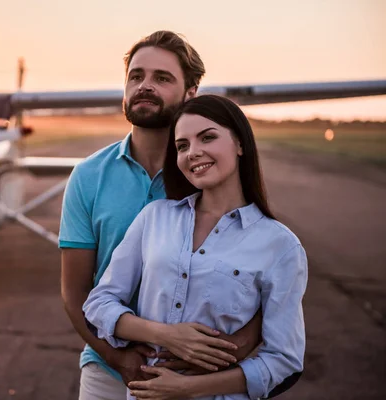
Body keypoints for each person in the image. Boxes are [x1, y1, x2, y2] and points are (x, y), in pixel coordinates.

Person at [60, 31, 269, 400]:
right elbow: (75, 290)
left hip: (196, 373)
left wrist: (221, 357)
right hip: (106, 368)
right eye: (136, 76)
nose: (145, 86)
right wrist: (116, 356)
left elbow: (261, 282)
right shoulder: (88, 175)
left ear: (191, 94)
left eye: (162, 78)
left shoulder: (211, 173)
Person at [82, 94, 308, 400]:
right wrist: (166, 335)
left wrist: (187, 388)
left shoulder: (281, 246)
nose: (193, 153)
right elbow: (99, 303)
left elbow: (283, 360)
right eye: (182, 145)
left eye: (208, 138)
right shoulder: (154, 218)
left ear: (240, 144)